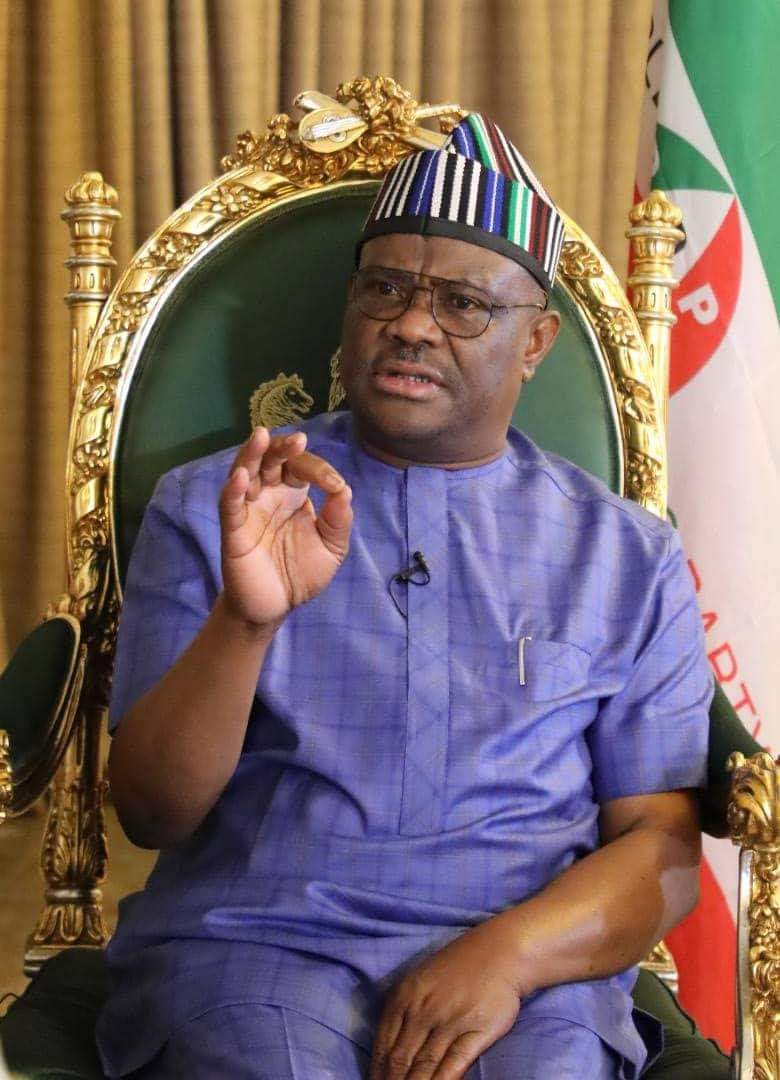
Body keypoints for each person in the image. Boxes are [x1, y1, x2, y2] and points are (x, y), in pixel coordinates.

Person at [96, 113, 712, 1079]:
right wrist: (245, 622)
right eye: (386, 288)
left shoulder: (627, 556)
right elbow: (150, 814)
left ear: (536, 341)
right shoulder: (221, 505)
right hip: (257, 946)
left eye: (464, 303)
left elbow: (662, 848)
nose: (413, 325)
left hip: (526, 969)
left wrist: (510, 957)